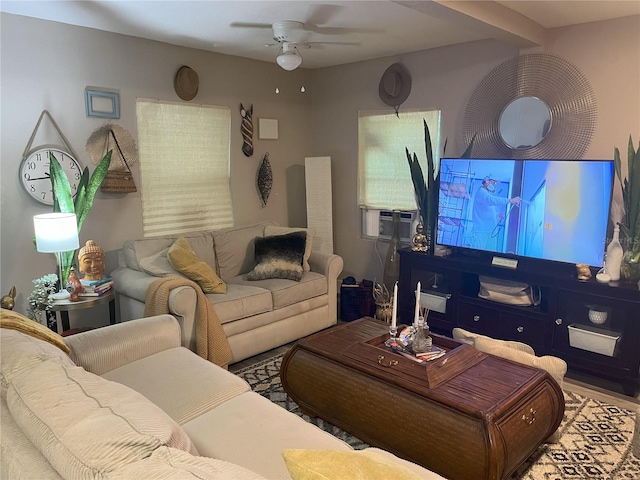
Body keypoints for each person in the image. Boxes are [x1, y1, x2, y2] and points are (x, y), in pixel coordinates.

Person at [471, 177, 520, 251]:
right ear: (487, 181)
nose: (494, 184)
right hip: (481, 232)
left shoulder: (485, 193)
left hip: (489, 231)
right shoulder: (481, 192)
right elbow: (491, 200)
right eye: (493, 182)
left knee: (490, 256)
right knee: (478, 255)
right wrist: (510, 200)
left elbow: (485, 210)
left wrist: (496, 214)